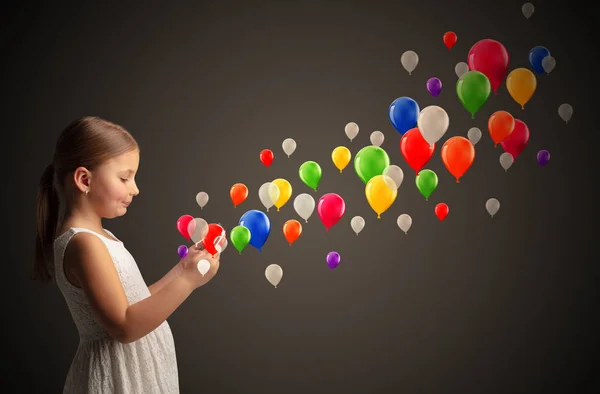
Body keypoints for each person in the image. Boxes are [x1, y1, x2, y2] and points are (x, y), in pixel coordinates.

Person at [33, 116, 221, 393]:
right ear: (84, 179)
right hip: (119, 375)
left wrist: (182, 269)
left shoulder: (102, 238)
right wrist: (189, 281)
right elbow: (125, 327)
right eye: (125, 177)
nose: (135, 188)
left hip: (138, 370)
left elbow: (135, 302)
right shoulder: (84, 244)